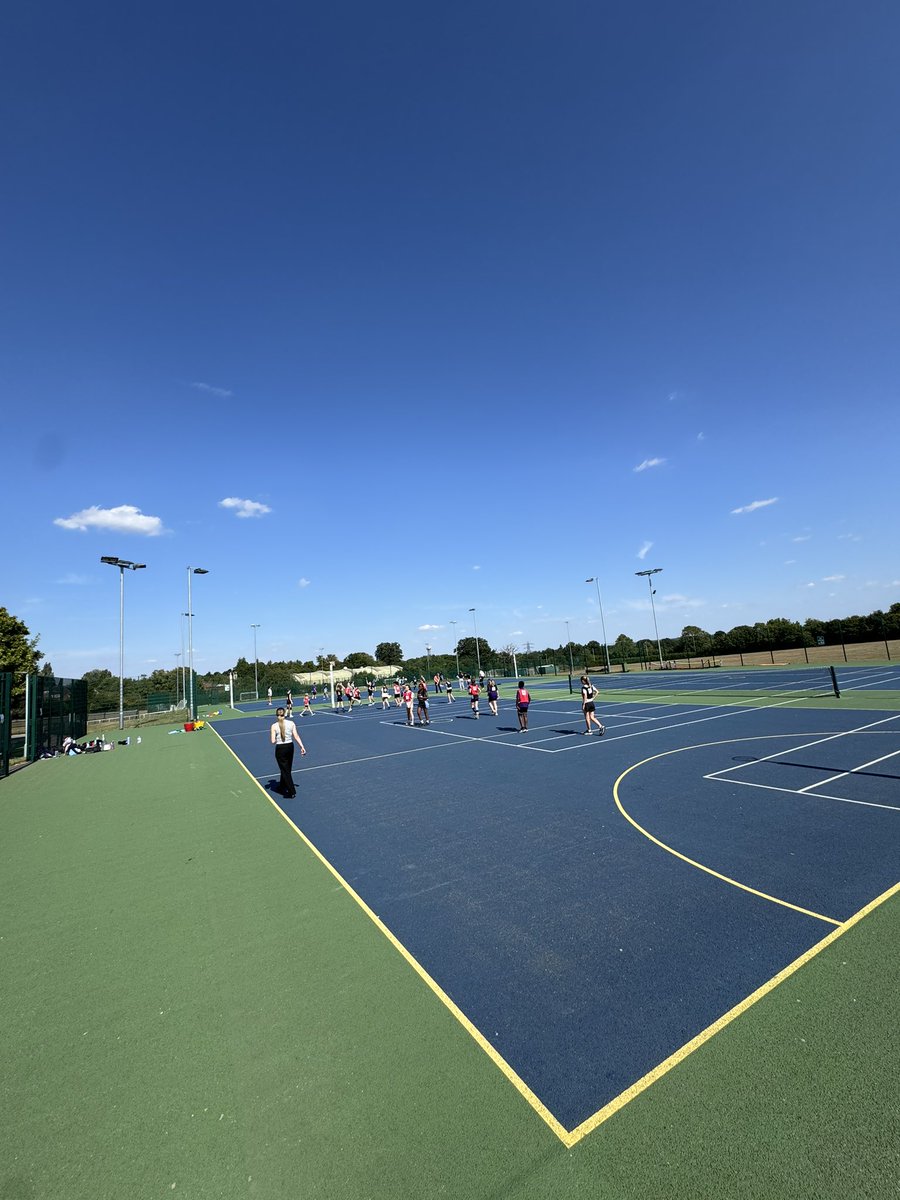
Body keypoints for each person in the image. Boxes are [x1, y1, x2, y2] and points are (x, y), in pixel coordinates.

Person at [270, 706, 306, 798]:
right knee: (286, 768)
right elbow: (296, 736)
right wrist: (302, 747)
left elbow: (273, 741)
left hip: (280, 748)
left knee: (285, 770)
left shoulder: (274, 726)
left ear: (276, 715)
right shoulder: (291, 723)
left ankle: (291, 791)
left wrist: (277, 736)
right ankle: (282, 785)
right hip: (290, 747)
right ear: (285, 714)